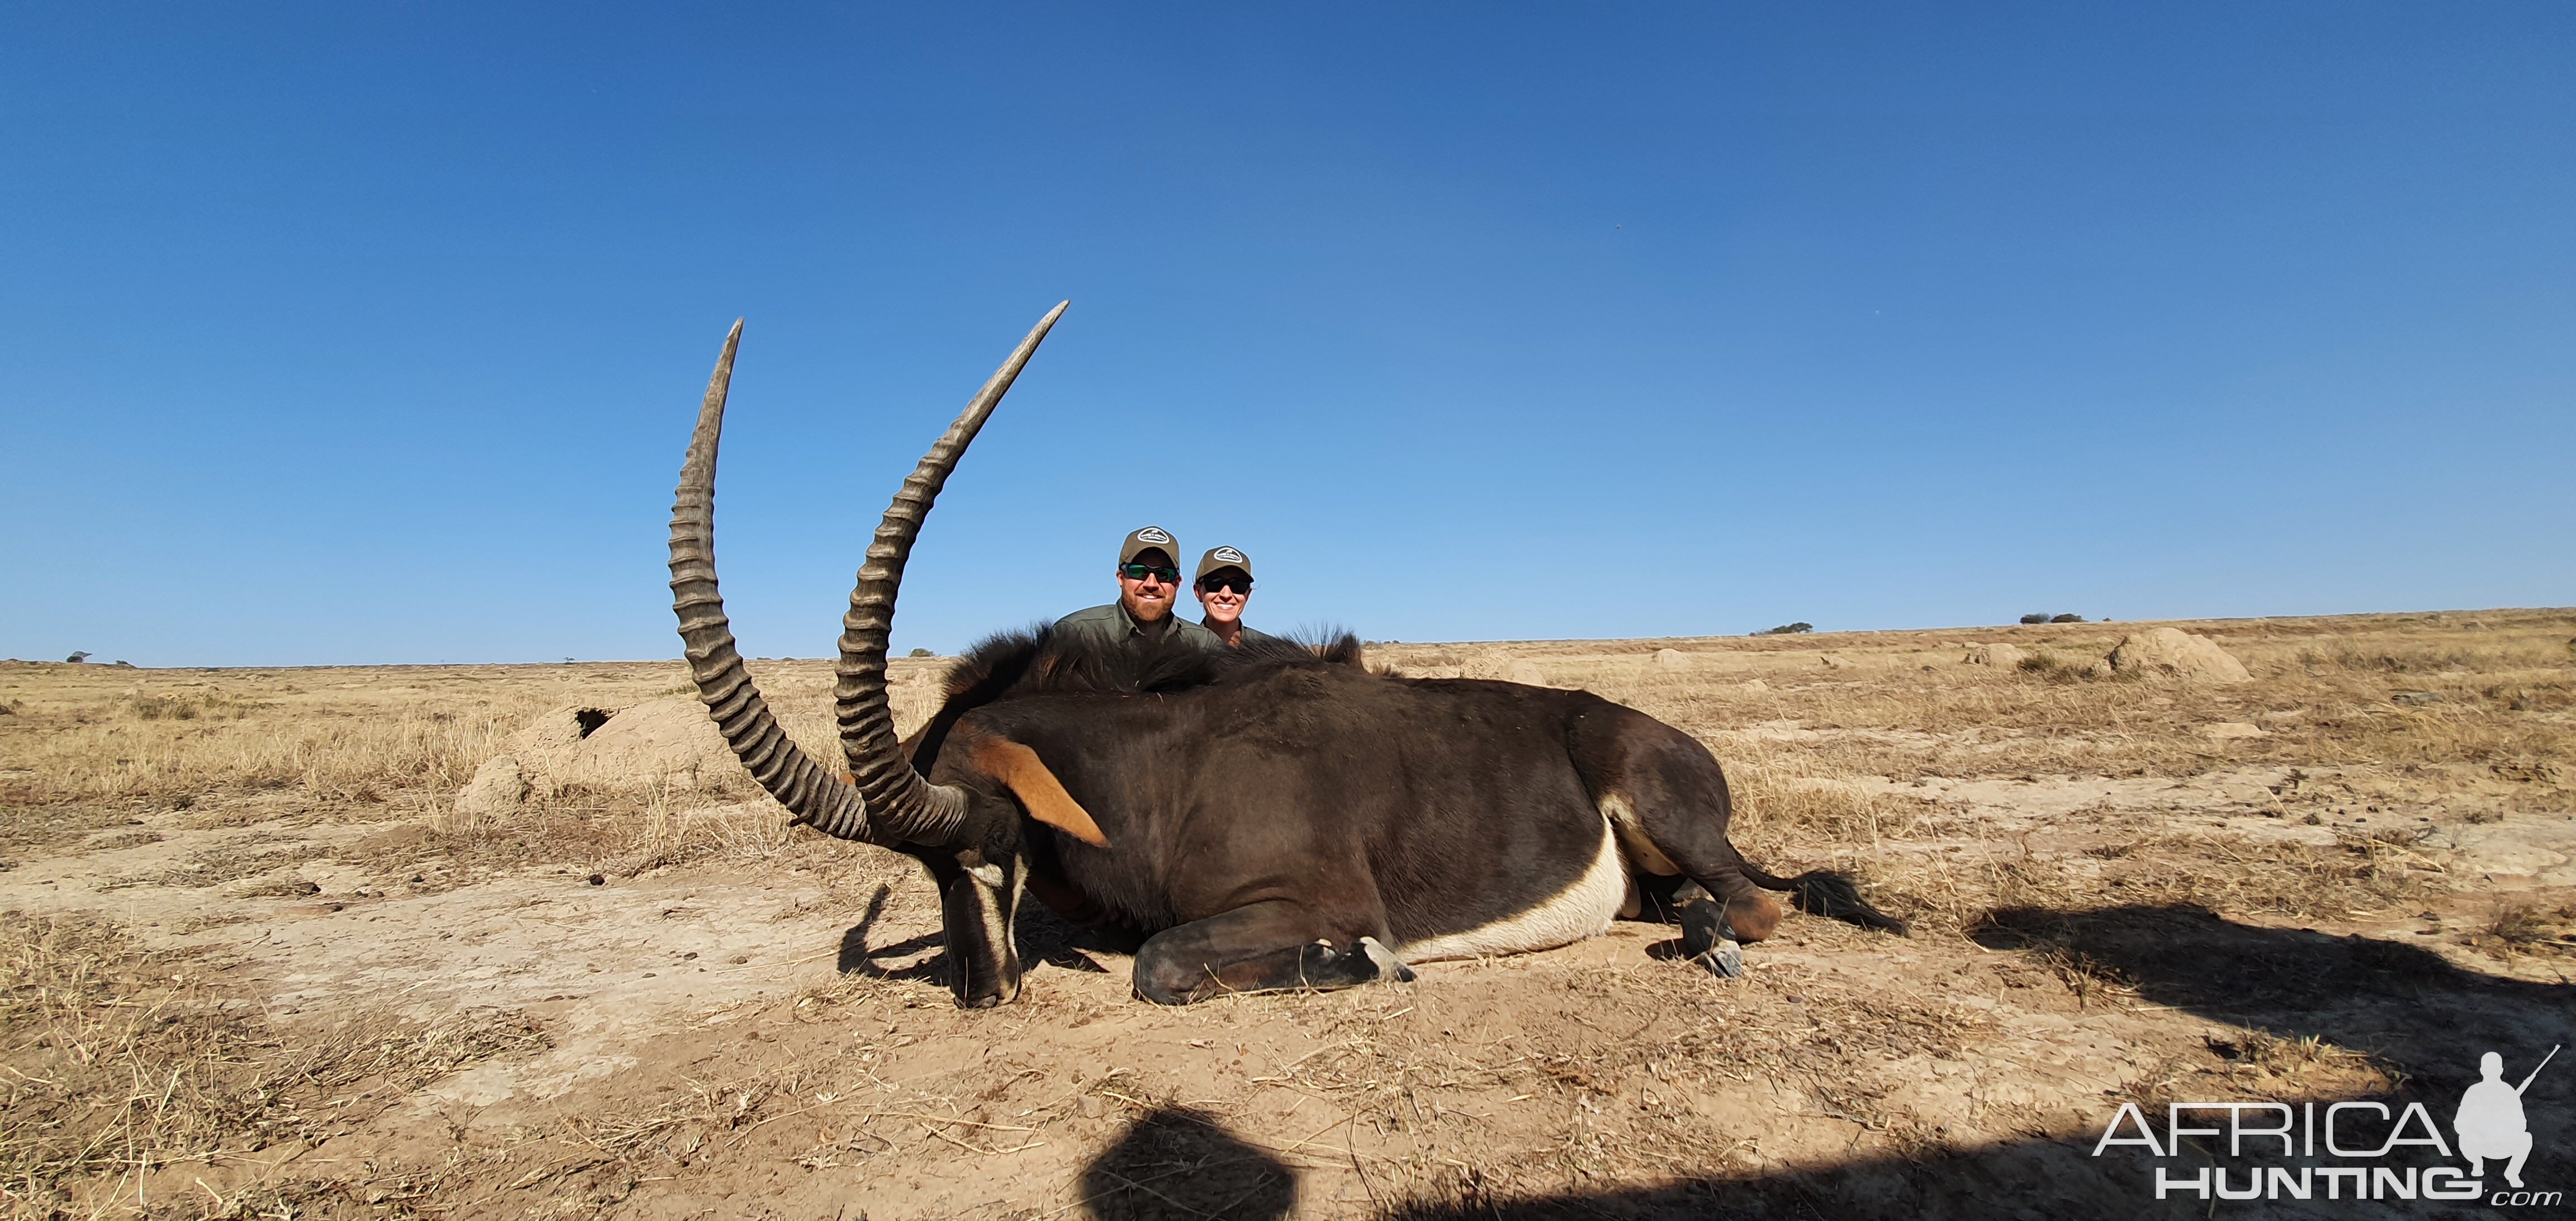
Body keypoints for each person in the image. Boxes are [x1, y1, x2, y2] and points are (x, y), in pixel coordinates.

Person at [1053, 526, 1222, 659]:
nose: (1151, 584)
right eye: (1138, 571)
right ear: (1121, 578)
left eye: (1164, 574)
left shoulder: (1206, 646)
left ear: (1177, 583)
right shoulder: (1074, 635)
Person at [1193, 546, 1280, 649]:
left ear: (1248, 595)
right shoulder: (1180, 646)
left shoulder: (1272, 652)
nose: (1226, 595)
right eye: (1215, 583)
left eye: (1238, 585)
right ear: (1198, 592)